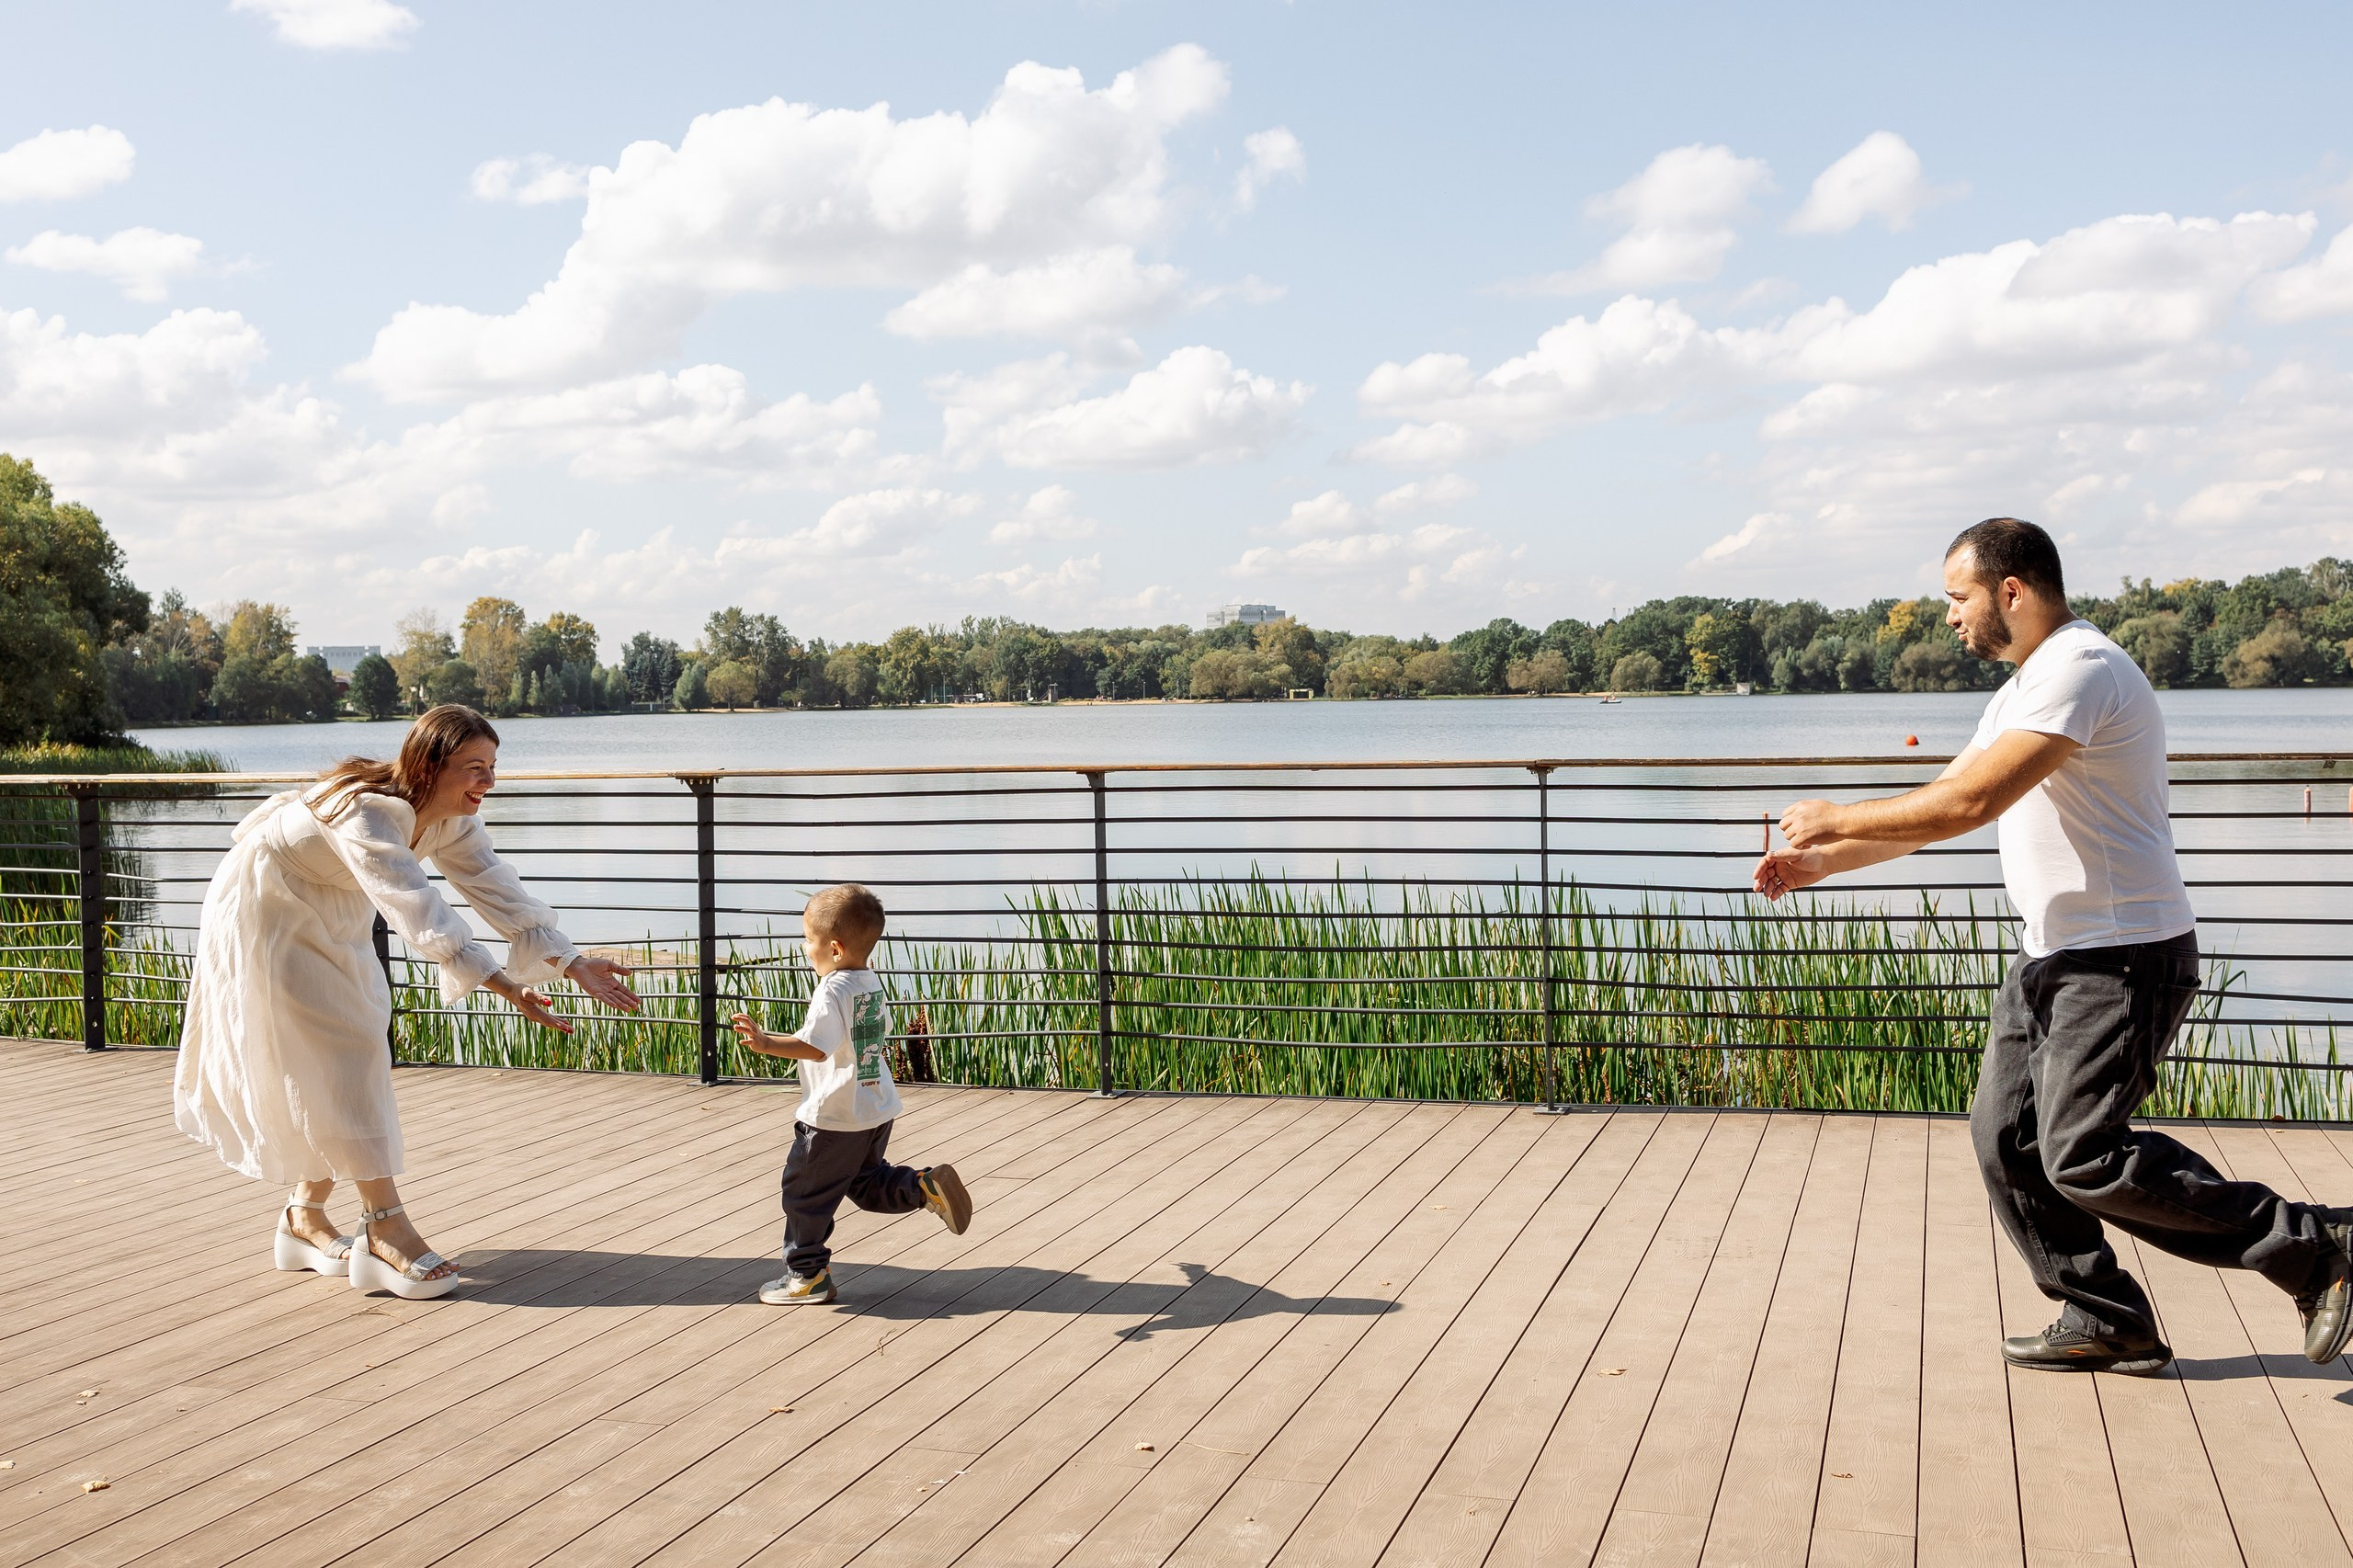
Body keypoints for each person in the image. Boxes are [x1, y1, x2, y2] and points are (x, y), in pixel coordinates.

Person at [1753, 517, 2352, 1375]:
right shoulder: (2030, 684)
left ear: (2011, 591)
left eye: (1957, 598)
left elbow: (1967, 803)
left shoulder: (2082, 669)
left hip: (2124, 955)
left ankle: (2317, 1246)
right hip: (2056, 955)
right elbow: (1948, 804)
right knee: (2006, 1140)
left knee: (2082, 1152)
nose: (1950, 617)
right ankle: (2107, 1318)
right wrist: (1820, 865)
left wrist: (1836, 814)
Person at [173, 704, 642, 1300]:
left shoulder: (452, 820)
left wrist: (573, 963)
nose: (488, 783)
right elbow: (418, 907)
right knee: (347, 1048)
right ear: (430, 763)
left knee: (351, 1044)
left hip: (335, 907)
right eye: (474, 767)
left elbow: (498, 888)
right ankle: (384, 1229)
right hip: (269, 905)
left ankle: (304, 1217)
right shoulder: (369, 809)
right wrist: (505, 985)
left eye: (493, 767)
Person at [729, 882, 972, 1304]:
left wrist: (767, 1043)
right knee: (864, 1181)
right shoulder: (869, 983)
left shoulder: (832, 990)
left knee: (805, 1194)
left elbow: (817, 1046)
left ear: (835, 949)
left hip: (834, 1117)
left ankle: (807, 1276)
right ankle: (922, 1187)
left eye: (809, 941)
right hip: (875, 1107)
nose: (806, 949)